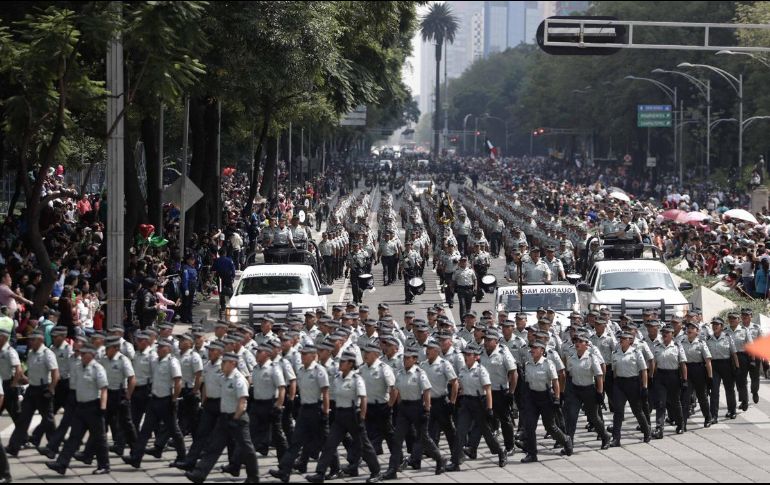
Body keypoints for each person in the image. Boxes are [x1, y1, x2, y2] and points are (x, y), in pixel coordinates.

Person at [306, 350, 382, 483]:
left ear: (351, 364)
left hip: (353, 415)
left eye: (343, 362)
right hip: (340, 416)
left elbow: (363, 399)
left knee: (364, 445)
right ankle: (320, 473)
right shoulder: (337, 378)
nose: (340, 364)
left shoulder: (356, 379)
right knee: (329, 444)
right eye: (340, 361)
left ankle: (376, 472)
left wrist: (362, 418)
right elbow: (331, 395)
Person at [185, 352, 259, 484]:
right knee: (214, 447)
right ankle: (199, 474)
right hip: (224, 417)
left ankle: (253, 477)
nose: (222, 365)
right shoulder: (224, 378)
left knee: (246, 448)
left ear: (233, 363)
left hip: (238, 418)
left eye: (225, 363)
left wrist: (235, 419)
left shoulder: (238, 379)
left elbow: (242, 403)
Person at [382, 346, 446, 480]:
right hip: (404, 409)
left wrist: (427, 410)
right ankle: (392, 469)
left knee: (424, 438)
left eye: (408, 358)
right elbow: (396, 391)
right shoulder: (399, 374)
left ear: (415, 359)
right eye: (404, 358)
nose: (405, 360)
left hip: (417, 407)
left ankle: (439, 459)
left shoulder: (419, 373)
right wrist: (395, 406)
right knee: (397, 439)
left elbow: (427, 391)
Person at [46, 344, 110, 476]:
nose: (82, 356)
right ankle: (61, 464)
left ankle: (104, 465)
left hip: (94, 407)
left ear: (91, 355)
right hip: (80, 407)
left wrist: (102, 408)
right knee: (73, 437)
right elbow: (75, 387)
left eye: (85, 354)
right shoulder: (77, 368)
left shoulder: (98, 368)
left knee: (99, 438)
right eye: (81, 354)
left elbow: (103, 389)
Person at [269, 345, 330, 482]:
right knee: (296, 442)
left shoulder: (319, 371)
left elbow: (325, 393)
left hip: (316, 409)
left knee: (325, 442)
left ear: (313, 355)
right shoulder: (301, 371)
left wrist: (325, 413)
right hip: (304, 410)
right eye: (301, 354)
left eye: (305, 354)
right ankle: (284, 471)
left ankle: (330, 468)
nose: (302, 357)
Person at [123, 339, 186, 468]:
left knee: (174, 430)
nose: (158, 349)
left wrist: (174, 399)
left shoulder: (172, 362)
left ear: (168, 349)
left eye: (161, 347)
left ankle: (182, 457)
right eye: (158, 347)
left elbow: (178, 382)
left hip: (167, 400)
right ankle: (136, 458)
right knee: (145, 430)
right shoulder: (155, 362)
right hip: (155, 399)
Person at [447, 343, 507, 472]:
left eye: (469, 355)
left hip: (479, 403)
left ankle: (501, 452)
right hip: (466, 404)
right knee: (460, 432)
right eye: (465, 355)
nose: (466, 357)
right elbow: (461, 386)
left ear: (476, 357)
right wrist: (456, 401)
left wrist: (489, 409)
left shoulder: (481, 370)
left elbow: (488, 389)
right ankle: (455, 461)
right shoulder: (462, 370)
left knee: (487, 433)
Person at [6, 330, 59, 456]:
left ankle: (53, 446)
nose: (30, 342)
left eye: (32, 339)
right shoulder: (31, 353)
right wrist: (23, 378)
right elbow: (30, 371)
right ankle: (14, 446)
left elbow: (55, 373)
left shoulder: (47, 354)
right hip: (32, 389)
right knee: (23, 419)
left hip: (43, 388)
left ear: (40, 340)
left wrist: (51, 389)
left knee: (48, 419)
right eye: (29, 339)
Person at [520, 341, 572, 463]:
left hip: (546, 397)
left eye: (535, 347)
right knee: (529, 426)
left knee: (550, 426)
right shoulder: (528, 364)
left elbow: (555, 382)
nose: (532, 350)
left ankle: (566, 439)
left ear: (542, 351)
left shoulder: (548, 364)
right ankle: (532, 454)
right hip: (532, 397)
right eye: (531, 348)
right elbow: (527, 382)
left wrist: (557, 398)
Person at [564, 333, 611, 450]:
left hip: (589, 390)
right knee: (572, 416)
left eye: (580, 341)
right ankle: (569, 444)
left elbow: (599, 376)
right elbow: (568, 373)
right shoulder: (572, 357)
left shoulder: (591, 357)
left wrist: (600, 393)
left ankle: (605, 436)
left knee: (593, 417)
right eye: (576, 341)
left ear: (587, 345)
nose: (577, 344)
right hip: (575, 390)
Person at [609, 332, 651, 447]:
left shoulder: (636, 353)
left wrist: (645, 386)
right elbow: (614, 371)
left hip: (633, 382)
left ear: (630, 340)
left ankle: (647, 431)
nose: (621, 340)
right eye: (620, 338)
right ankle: (616, 438)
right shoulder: (615, 353)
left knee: (637, 410)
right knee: (618, 411)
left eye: (624, 338)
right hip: (619, 384)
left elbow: (643, 370)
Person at [420, 339, 458, 457]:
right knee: (428, 430)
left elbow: (454, 382)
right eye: (427, 349)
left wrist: (452, 402)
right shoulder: (423, 365)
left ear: (437, 351)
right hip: (429, 402)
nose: (427, 351)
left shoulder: (444, 364)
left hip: (441, 401)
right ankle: (433, 453)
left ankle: (456, 454)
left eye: (430, 349)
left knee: (449, 431)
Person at [359, 343, 396, 457]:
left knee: (389, 434)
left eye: (368, 353)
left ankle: (397, 458)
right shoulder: (362, 368)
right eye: (364, 352)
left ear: (376, 354)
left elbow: (393, 389)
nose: (365, 355)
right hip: (368, 407)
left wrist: (389, 406)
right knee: (369, 434)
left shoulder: (384, 368)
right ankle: (374, 453)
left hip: (381, 406)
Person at [651, 325, 687, 438]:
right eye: (663, 332)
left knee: (675, 402)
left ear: (672, 334)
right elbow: (654, 363)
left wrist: (684, 379)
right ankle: (659, 428)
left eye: (667, 332)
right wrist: (651, 376)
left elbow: (683, 364)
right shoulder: (657, 347)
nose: (664, 334)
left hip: (673, 376)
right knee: (661, 403)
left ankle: (680, 424)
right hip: (661, 376)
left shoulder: (677, 346)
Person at [681, 321, 713, 428]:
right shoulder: (681, 342)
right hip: (687, 371)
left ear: (697, 332)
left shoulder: (701, 343)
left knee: (702, 397)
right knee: (685, 398)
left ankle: (708, 417)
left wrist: (710, 377)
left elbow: (708, 361)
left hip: (699, 371)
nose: (689, 330)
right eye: (688, 328)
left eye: (692, 328)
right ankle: (683, 423)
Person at [706, 317, 739, 422]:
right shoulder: (708, 339)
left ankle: (732, 410)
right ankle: (713, 415)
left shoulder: (728, 337)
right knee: (714, 391)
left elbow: (734, 353)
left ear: (722, 326)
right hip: (714, 366)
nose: (715, 326)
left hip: (726, 365)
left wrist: (737, 367)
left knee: (729, 389)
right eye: (713, 324)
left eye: (717, 324)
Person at [212, 248, 236, 314]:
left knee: (221, 291)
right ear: (225, 253)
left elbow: (213, 269)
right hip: (228, 277)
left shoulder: (216, 260)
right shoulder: (229, 260)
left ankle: (223, 306)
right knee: (230, 290)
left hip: (220, 278)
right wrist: (233, 276)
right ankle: (232, 304)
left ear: (219, 254)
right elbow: (233, 269)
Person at [180, 253, 199, 323]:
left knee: (190, 303)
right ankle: (184, 318)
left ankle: (189, 318)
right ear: (187, 260)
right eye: (191, 259)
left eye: (193, 259)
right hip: (188, 286)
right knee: (186, 303)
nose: (193, 261)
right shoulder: (185, 267)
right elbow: (185, 279)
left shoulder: (193, 267)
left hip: (192, 287)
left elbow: (195, 278)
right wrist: (186, 288)